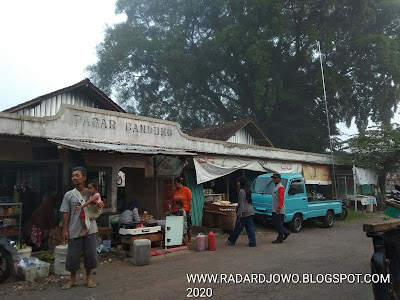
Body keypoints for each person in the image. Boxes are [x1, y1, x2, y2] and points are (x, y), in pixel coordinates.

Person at [60, 167, 104, 290]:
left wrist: (100, 205)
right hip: (74, 229)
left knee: (90, 255)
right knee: (73, 256)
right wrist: (65, 230)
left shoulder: (91, 193)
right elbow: (65, 213)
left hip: (90, 228)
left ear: (84, 178)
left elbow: (99, 206)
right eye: (73, 175)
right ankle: (72, 279)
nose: (74, 177)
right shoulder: (69, 195)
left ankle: (89, 278)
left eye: (77, 175)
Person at [226, 176, 256, 247]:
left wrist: (240, 212)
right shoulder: (248, 190)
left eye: (238, 182)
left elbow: (241, 202)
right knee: (250, 228)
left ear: (241, 182)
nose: (237, 183)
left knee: (238, 227)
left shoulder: (242, 191)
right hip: (250, 211)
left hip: (244, 212)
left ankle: (231, 240)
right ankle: (252, 242)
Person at [271, 173, 291, 244]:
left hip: (279, 210)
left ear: (279, 179)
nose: (274, 179)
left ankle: (284, 234)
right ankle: (281, 236)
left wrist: (279, 207)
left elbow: (282, 199)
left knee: (278, 224)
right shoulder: (275, 187)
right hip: (274, 209)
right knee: (275, 223)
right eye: (273, 178)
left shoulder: (280, 187)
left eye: (275, 178)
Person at [173, 177, 193, 244]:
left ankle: (189, 241)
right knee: (180, 228)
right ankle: (183, 241)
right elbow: (173, 201)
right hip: (177, 211)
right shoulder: (175, 191)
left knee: (188, 227)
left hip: (186, 211)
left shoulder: (187, 190)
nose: (175, 185)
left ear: (179, 183)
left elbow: (190, 201)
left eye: (176, 184)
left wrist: (190, 211)